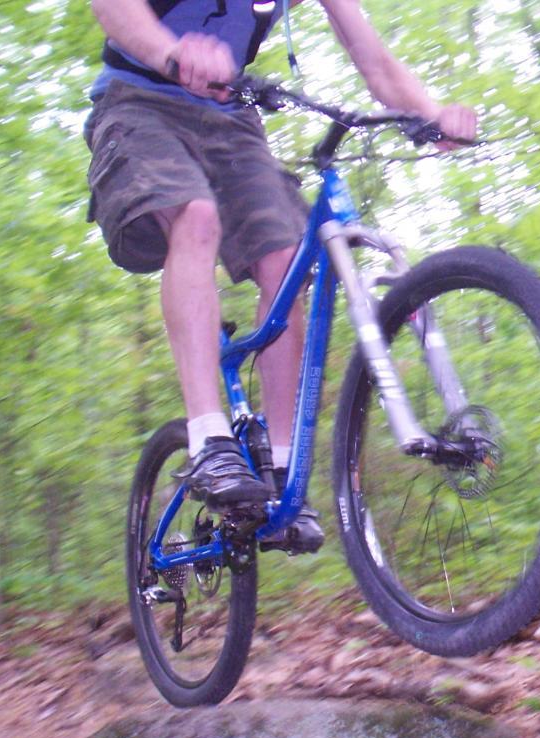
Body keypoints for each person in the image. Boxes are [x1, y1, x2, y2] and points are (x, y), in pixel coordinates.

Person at [85, 0, 477, 552]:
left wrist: (432, 113)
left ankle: (282, 467)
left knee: (288, 260)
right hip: (138, 102)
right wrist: (170, 51)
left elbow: (375, 63)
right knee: (194, 216)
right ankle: (209, 439)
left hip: (230, 117)